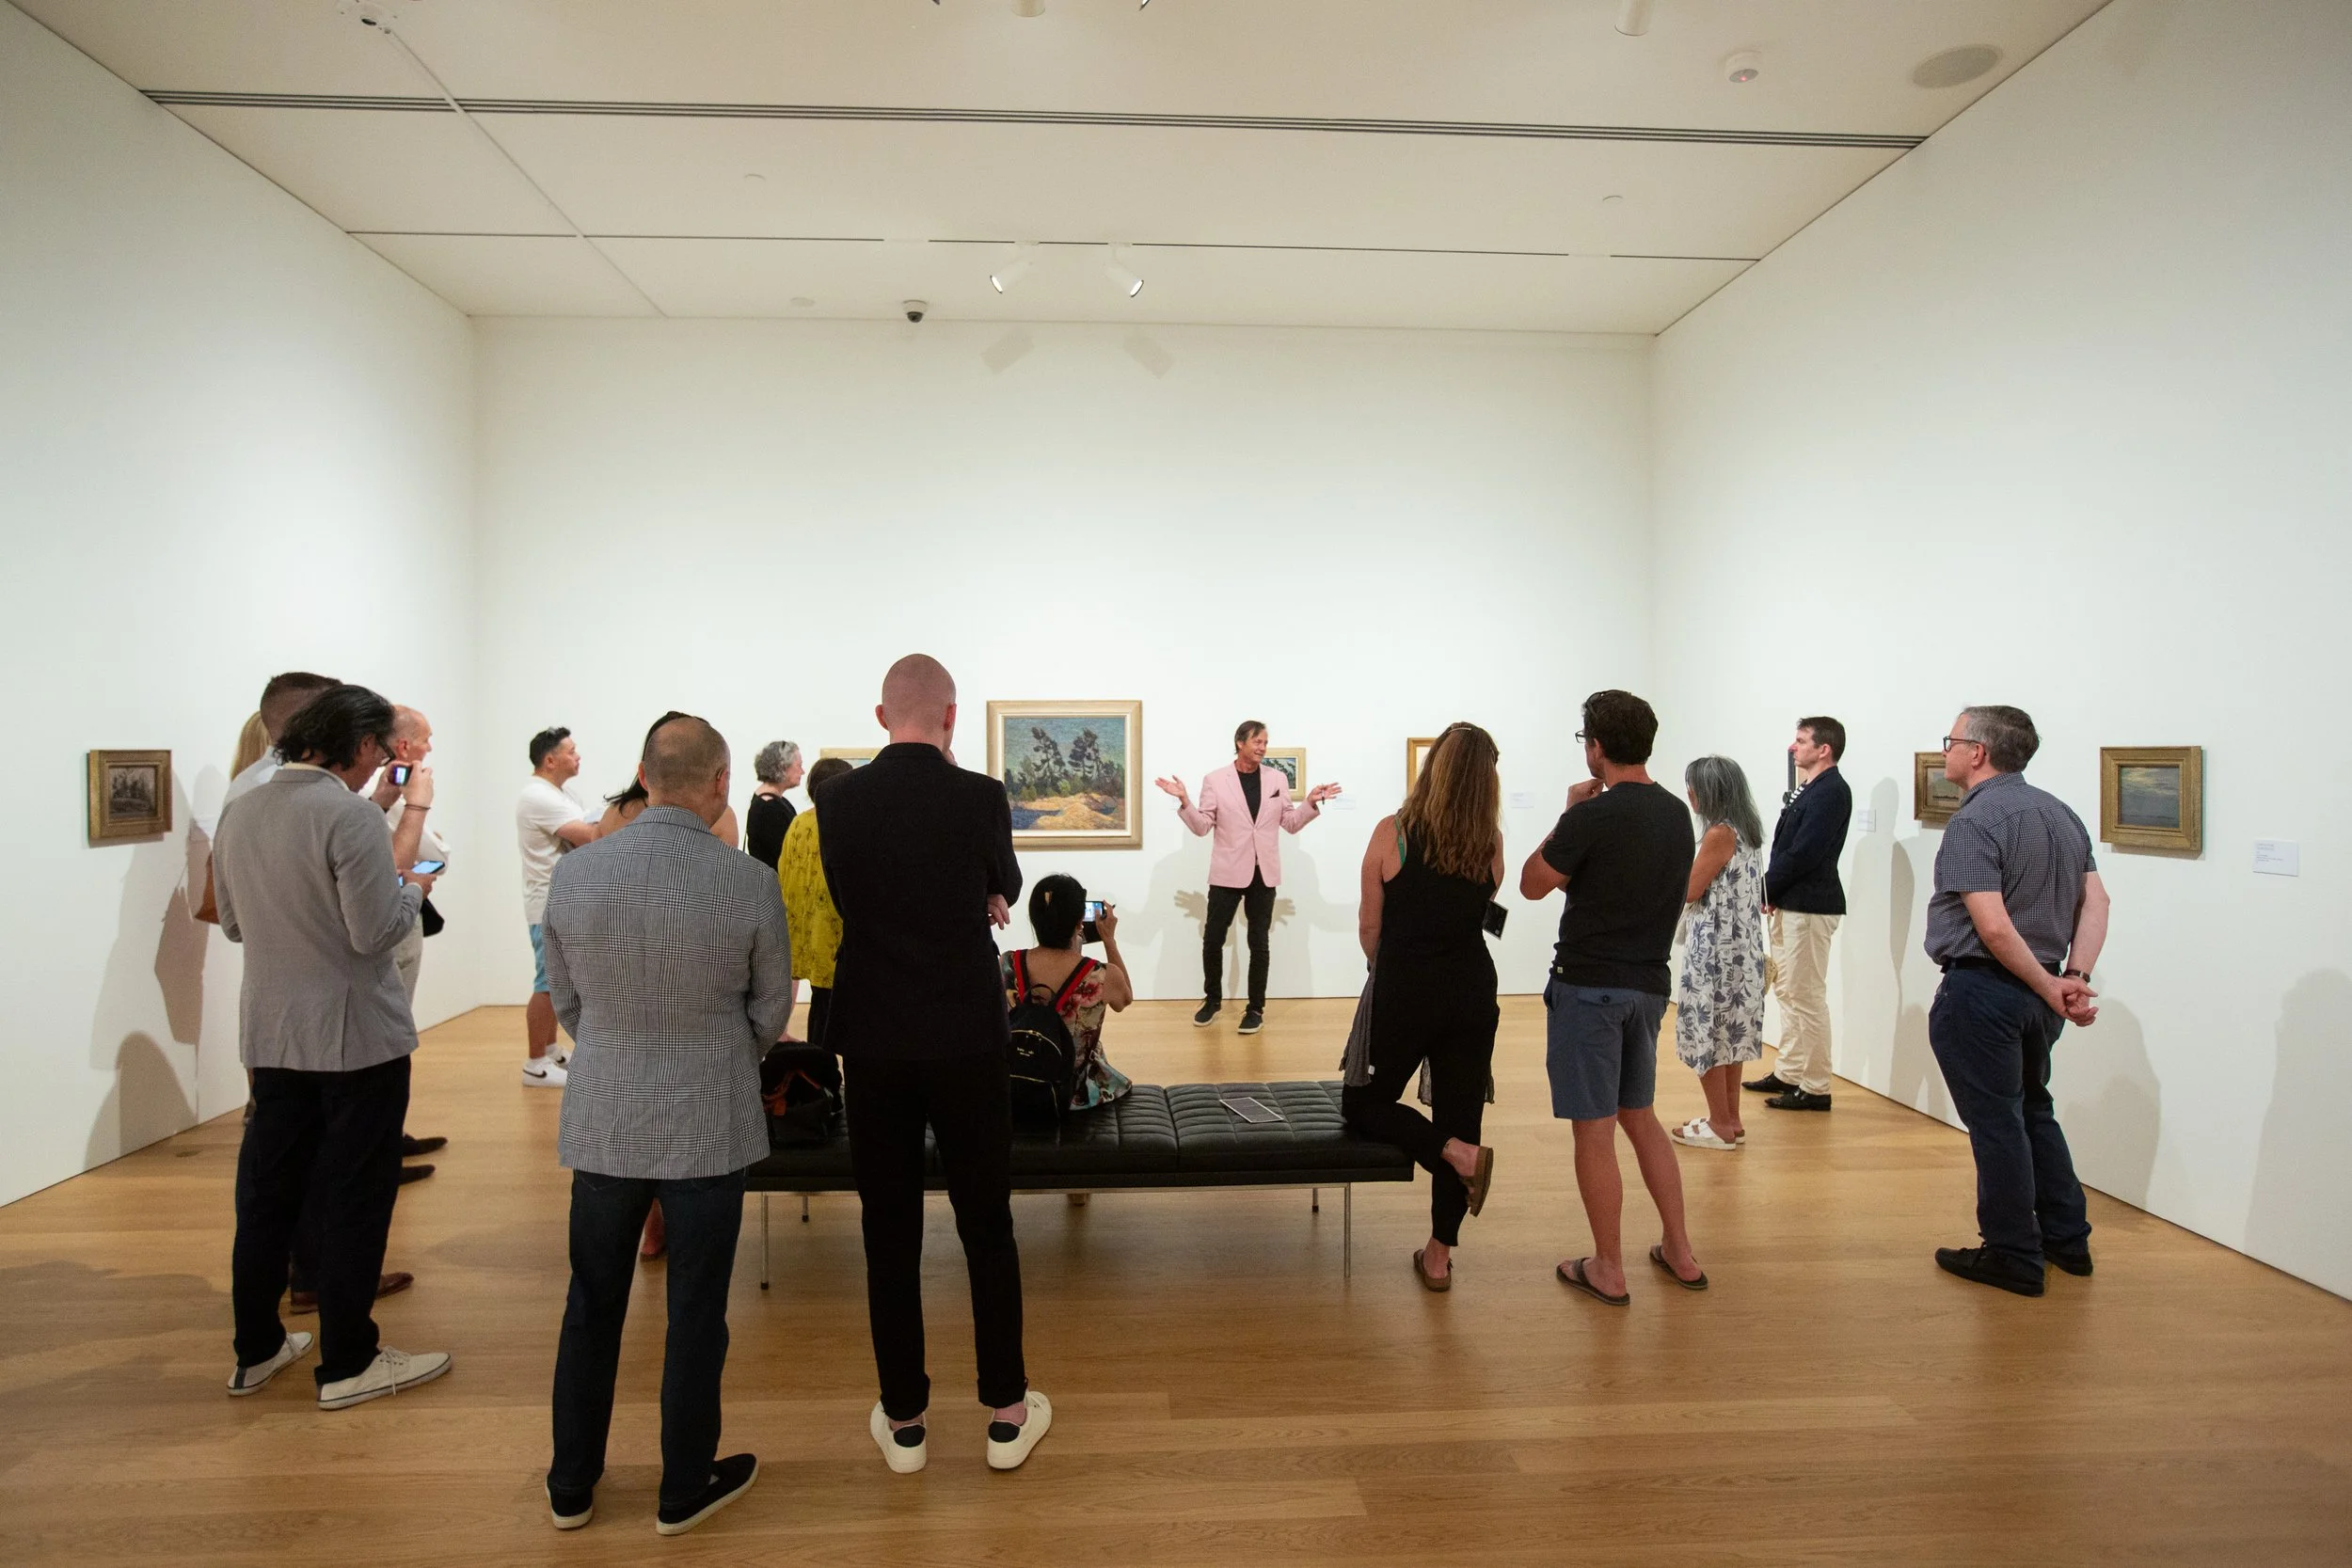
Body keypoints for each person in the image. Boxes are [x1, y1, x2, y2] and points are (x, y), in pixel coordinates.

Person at [540, 714, 790, 1535]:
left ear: (644, 776)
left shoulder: (576, 876)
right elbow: (770, 1008)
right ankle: (683, 1483)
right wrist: (721, 1053)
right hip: (710, 1117)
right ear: (721, 782)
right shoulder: (749, 881)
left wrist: (615, 1045)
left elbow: (566, 999)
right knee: (696, 1310)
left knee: (592, 1302)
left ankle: (571, 1483)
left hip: (606, 1114)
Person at [819, 654, 1049, 1475]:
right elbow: (1006, 884)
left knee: (890, 1230)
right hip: (965, 1033)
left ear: (882, 715)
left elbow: (851, 900)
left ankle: (907, 1419)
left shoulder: (838, 799)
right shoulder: (981, 796)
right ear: (951, 718)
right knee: (987, 1220)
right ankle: (1007, 1410)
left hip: (875, 1035)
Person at [213, 684, 452, 1409]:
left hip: (272, 1032)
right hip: (355, 1038)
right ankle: (349, 1360)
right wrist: (413, 884)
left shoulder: (242, 806)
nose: (381, 760)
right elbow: (374, 931)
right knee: (355, 1194)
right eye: (378, 748)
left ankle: (255, 1350)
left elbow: (231, 923)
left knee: (267, 1197)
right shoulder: (345, 814)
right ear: (356, 745)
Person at [1520, 689, 1706, 1306]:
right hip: (1648, 987)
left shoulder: (1590, 816)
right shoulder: (1677, 814)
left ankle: (1608, 1266)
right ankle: (1679, 1249)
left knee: (1594, 1131)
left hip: (1588, 988)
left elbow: (1531, 883)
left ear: (1595, 747)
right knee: (1640, 1116)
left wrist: (1565, 813)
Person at [1925, 705, 2108, 1297]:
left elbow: (1996, 928)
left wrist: (2049, 985)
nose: (1945, 750)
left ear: (1977, 752)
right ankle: (2066, 1240)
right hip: (2041, 990)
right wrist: (2068, 977)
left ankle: (2013, 1254)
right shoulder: (2061, 814)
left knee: (1998, 1123)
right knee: (2034, 1109)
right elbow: (2098, 902)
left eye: (1950, 740)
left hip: (1986, 991)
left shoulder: (1977, 821)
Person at [1341, 721, 1503, 1291]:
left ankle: (1455, 1154)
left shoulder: (1393, 832)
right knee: (1460, 1116)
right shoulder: (1490, 843)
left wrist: (1387, 968)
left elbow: (1369, 927)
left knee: (1364, 1104)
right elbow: (1482, 907)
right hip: (1472, 993)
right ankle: (1438, 1258)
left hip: (1407, 992)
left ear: (1431, 768)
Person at [1153, 721, 1342, 1034]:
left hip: (1263, 873)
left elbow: (1290, 823)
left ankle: (1255, 1009)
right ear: (1240, 742)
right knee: (1213, 938)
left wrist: (1309, 803)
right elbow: (1202, 827)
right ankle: (1212, 1001)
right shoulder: (1215, 780)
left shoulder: (1277, 778)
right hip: (1227, 871)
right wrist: (1184, 802)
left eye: (1266, 742)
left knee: (1259, 942)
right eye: (1257, 741)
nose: (1263, 747)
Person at [1750, 716, 1853, 1111]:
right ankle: (1790, 1072)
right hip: (1793, 902)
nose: (1793, 747)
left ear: (1823, 749)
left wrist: (1766, 887)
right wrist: (1775, 891)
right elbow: (1789, 850)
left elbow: (1805, 853)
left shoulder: (1831, 791)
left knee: (1806, 995)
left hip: (1811, 906)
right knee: (1789, 990)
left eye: (1800, 741)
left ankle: (1815, 1086)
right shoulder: (1813, 787)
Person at [1669, 756, 1769, 1152]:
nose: (1689, 794)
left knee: (1707, 1033)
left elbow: (1690, 890)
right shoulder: (1747, 831)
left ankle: (1720, 1124)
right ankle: (1730, 1119)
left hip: (1714, 951)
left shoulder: (1719, 834)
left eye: (1692, 786)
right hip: (1741, 950)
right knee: (1731, 1034)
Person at [1001, 874, 1135, 1112]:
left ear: (1035, 919)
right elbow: (1125, 999)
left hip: (1017, 1079)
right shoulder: (1101, 974)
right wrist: (1109, 940)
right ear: (1079, 922)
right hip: (1076, 1091)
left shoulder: (1008, 962)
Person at [517, 727, 598, 1087]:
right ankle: (535, 1063)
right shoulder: (538, 796)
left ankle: (549, 1050)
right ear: (550, 760)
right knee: (547, 982)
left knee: (557, 979)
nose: (577, 755)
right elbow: (588, 837)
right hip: (548, 902)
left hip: (561, 899)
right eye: (571, 750)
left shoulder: (559, 793)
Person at [779, 754, 854, 1050]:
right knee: (846, 1016)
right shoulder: (843, 823)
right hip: (835, 936)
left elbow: (785, 875)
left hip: (807, 932)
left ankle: (819, 1082)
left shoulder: (799, 823)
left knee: (820, 1010)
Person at [744, 740, 803, 869]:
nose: (802, 771)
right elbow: (784, 855)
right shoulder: (768, 808)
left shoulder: (775, 802)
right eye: (799, 766)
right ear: (782, 767)